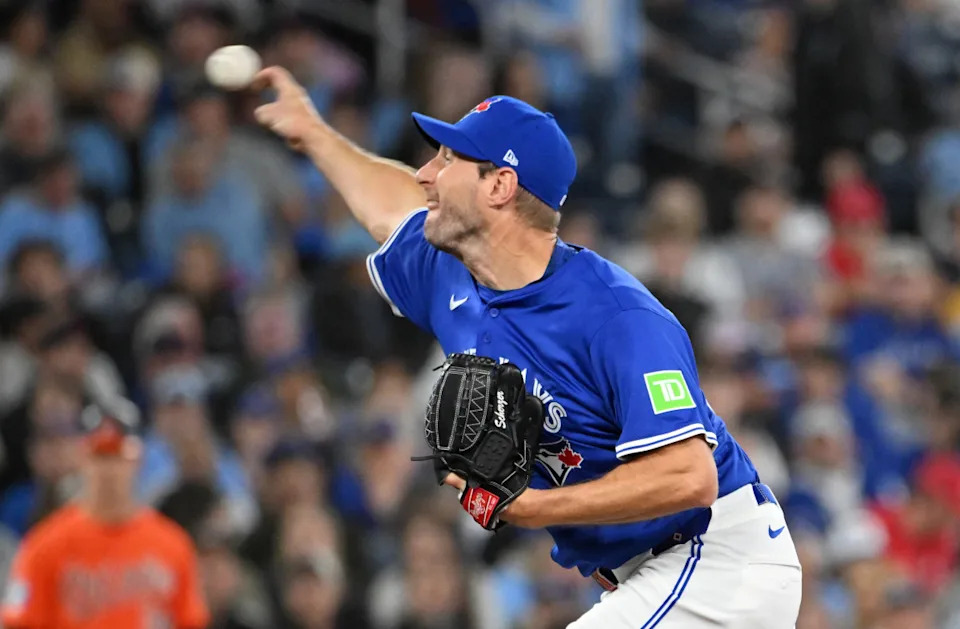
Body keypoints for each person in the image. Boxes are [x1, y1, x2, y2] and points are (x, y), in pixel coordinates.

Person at [253, 67, 802, 627]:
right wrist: (315, 135)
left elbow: (689, 478)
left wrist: (533, 508)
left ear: (499, 186)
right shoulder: (453, 272)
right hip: (642, 577)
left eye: (448, 160)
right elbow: (389, 208)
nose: (426, 174)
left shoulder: (617, 316)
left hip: (719, 560)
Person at [1, 398, 210, 629]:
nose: (109, 470)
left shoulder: (173, 544)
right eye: (100, 456)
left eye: (118, 456)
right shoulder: (44, 545)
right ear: (81, 457)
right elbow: (19, 623)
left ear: (138, 459)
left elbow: (190, 620)